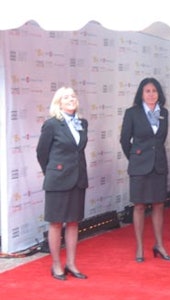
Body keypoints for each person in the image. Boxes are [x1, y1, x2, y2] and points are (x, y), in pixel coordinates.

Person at [120, 77, 170, 263]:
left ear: (159, 94)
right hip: (139, 166)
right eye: (147, 91)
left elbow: (160, 139)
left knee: (159, 204)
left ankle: (159, 245)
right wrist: (136, 158)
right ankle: (140, 247)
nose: (151, 94)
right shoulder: (132, 113)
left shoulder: (164, 113)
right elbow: (124, 140)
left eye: (154, 91)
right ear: (141, 94)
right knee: (140, 206)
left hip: (159, 164)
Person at [36, 87, 89, 281]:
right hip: (57, 180)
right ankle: (56, 265)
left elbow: (78, 151)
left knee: (74, 222)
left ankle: (71, 264)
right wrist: (52, 172)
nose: (71, 99)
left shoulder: (82, 123)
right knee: (56, 223)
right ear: (58, 103)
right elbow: (42, 153)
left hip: (78, 179)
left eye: (73, 96)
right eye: (66, 97)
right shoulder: (51, 125)